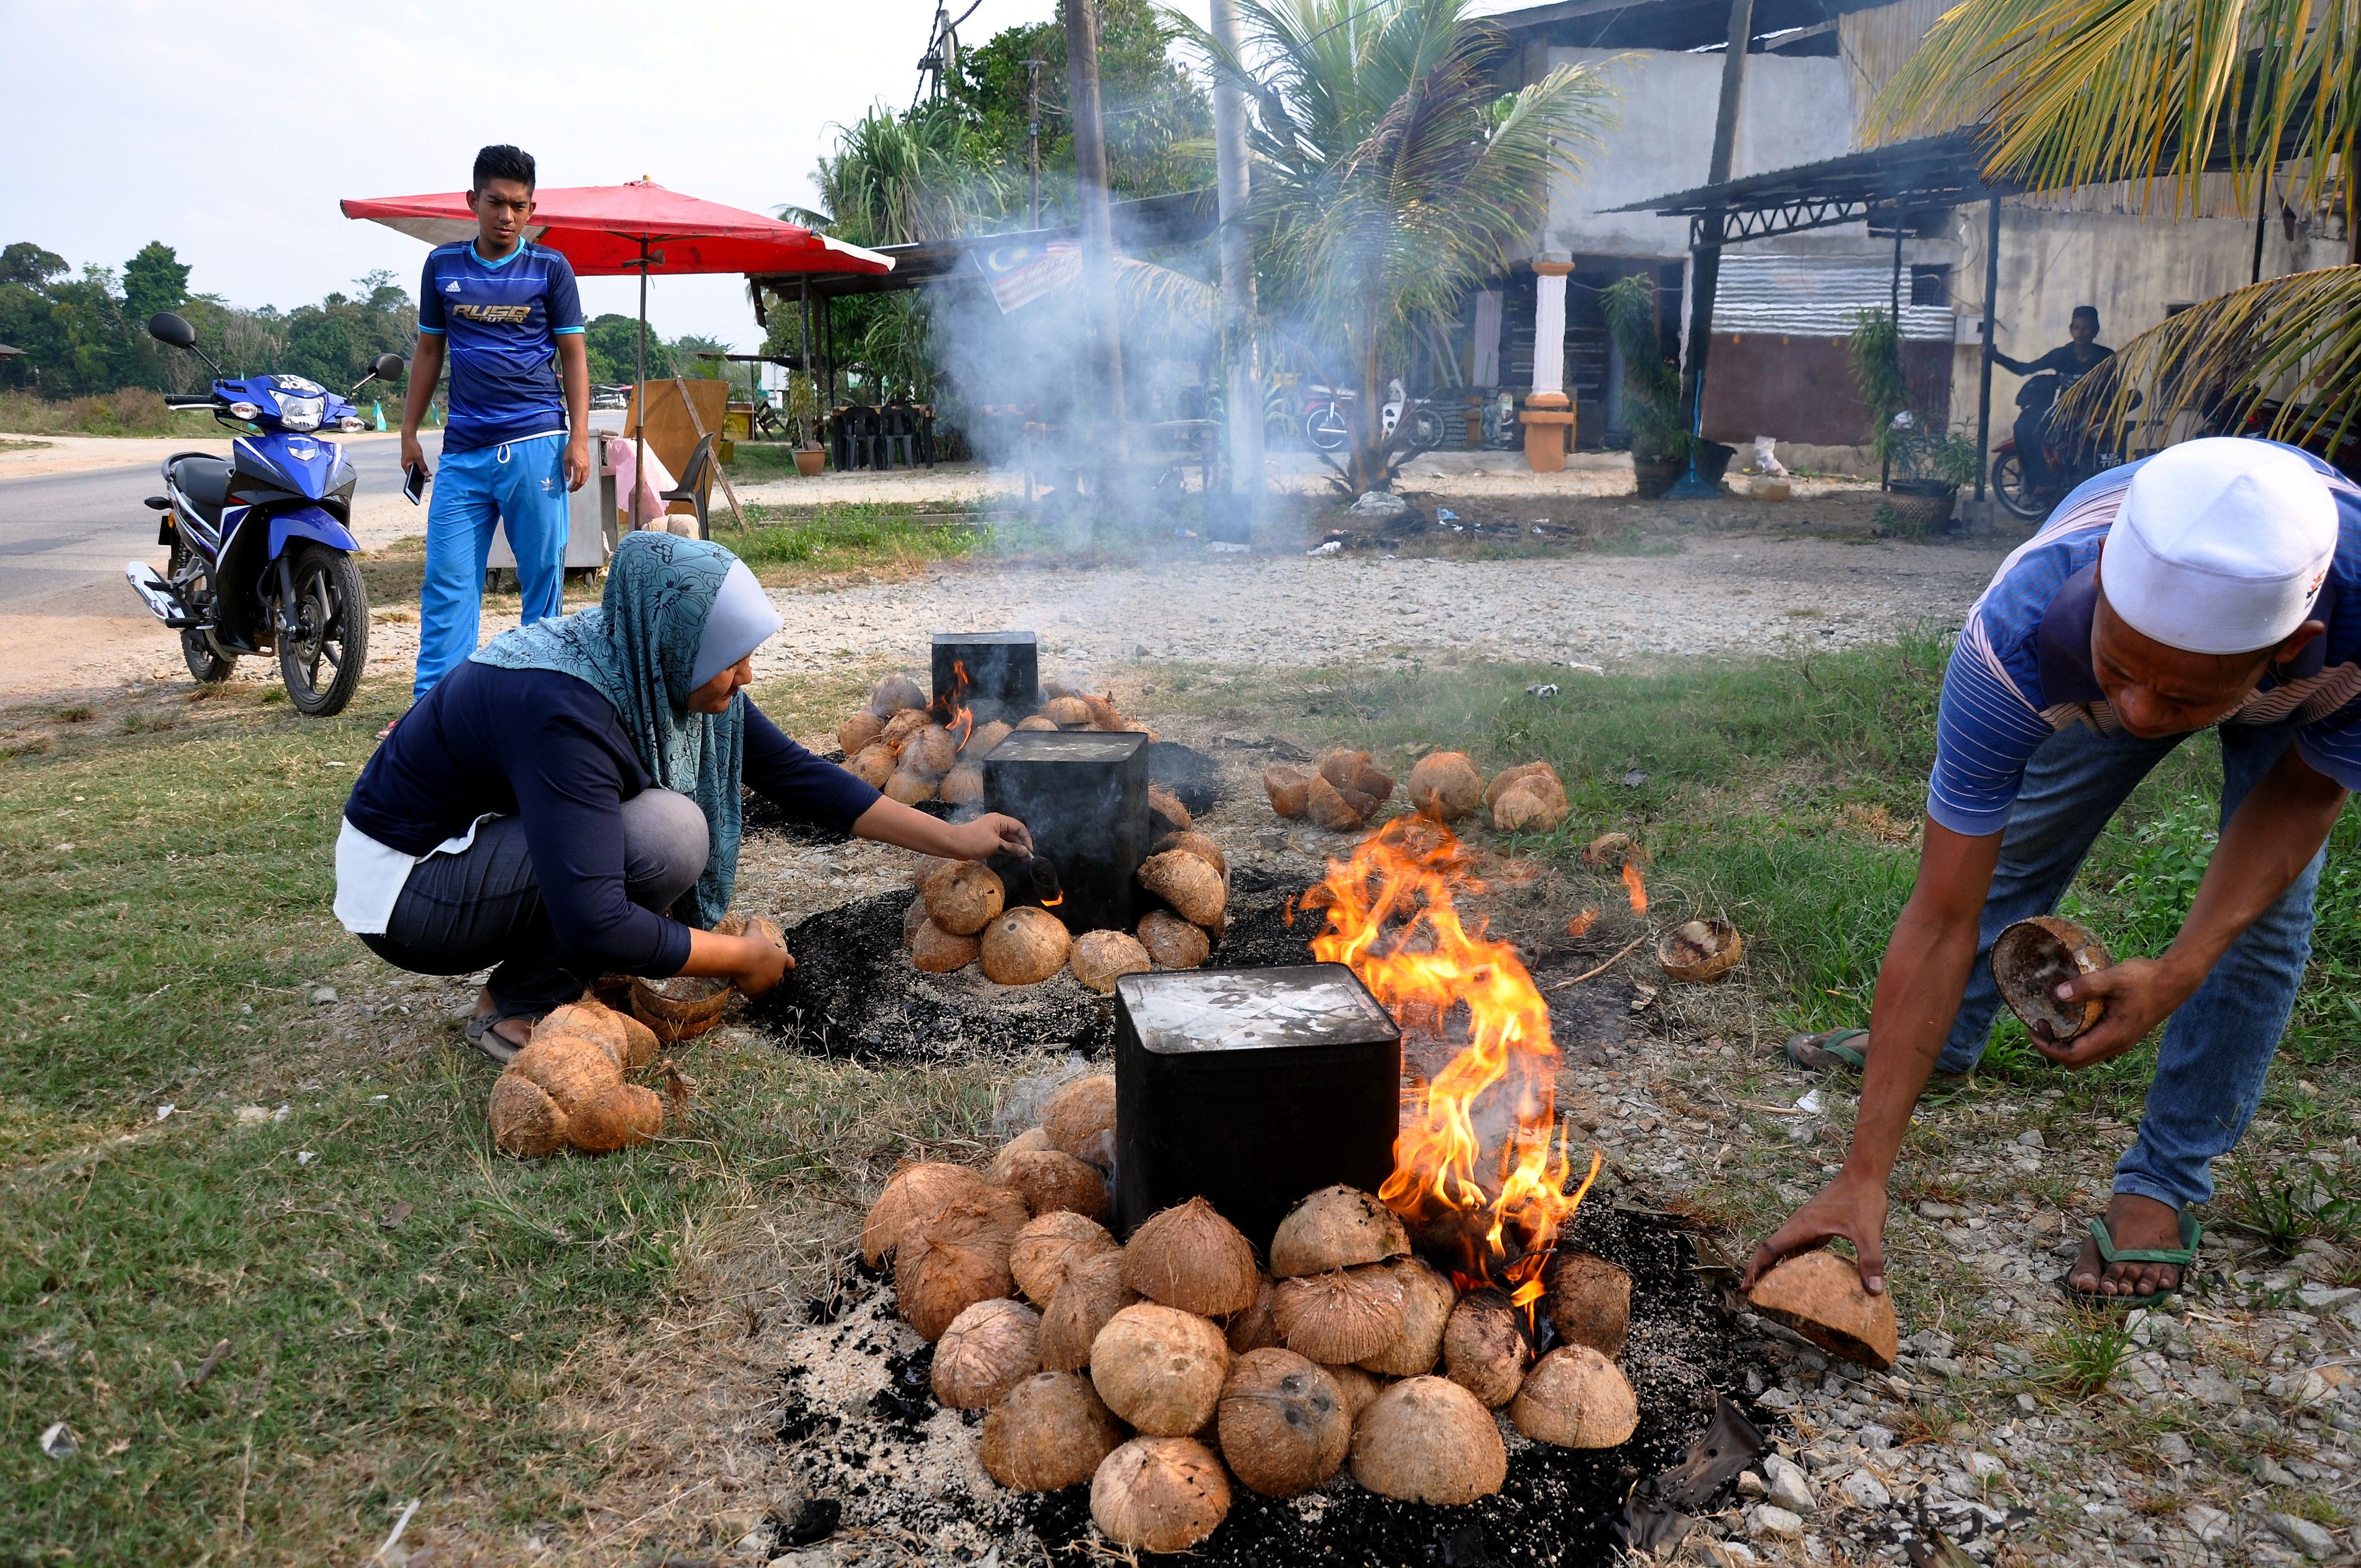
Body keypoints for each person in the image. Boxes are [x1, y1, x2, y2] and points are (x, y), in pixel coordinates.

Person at [1750, 437, 2356, 1307]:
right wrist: (1862, 1174)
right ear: (2103, 574)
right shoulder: (2012, 643)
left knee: (2259, 919)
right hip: (2081, 649)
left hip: (2296, 681)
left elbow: (2300, 802)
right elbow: (1939, 916)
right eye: (2122, 671)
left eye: (2179, 700)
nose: (2141, 716)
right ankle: (1940, 1044)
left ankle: (2164, 1178)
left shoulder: (2352, 632)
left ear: (2289, 648)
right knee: (2017, 856)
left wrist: (2177, 971)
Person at [333, 531, 1031, 1059]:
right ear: (681, 646)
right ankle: (512, 1005)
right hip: (408, 891)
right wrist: (741, 959)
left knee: (663, 831)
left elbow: (796, 774)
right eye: (733, 660)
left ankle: (531, 985)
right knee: (665, 835)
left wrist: (956, 836)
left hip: (467, 854)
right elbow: (595, 923)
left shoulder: (646, 658)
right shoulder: (564, 711)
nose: (747, 676)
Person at [399, 144, 593, 702]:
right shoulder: (442, 267)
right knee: (449, 585)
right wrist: (410, 431)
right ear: (472, 202)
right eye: (495, 203)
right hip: (463, 454)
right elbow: (430, 352)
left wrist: (578, 437)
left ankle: (538, 706)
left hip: (537, 445)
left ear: (532, 209)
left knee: (542, 587)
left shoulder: (551, 269)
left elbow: (573, 356)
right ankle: (433, 712)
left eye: (518, 205)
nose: (506, 216)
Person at [1990, 306, 2114, 501]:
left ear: (2095, 330)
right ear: (2071, 330)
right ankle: (2044, 482)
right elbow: (2026, 369)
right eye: (2076, 328)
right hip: (2063, 414)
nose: (2081, 333)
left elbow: (2116, 389)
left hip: (2093, 416)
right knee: (2023, 426)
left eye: (2086, 328)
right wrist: (1997, 357)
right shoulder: (2061, 355)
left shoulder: (2106, 357)